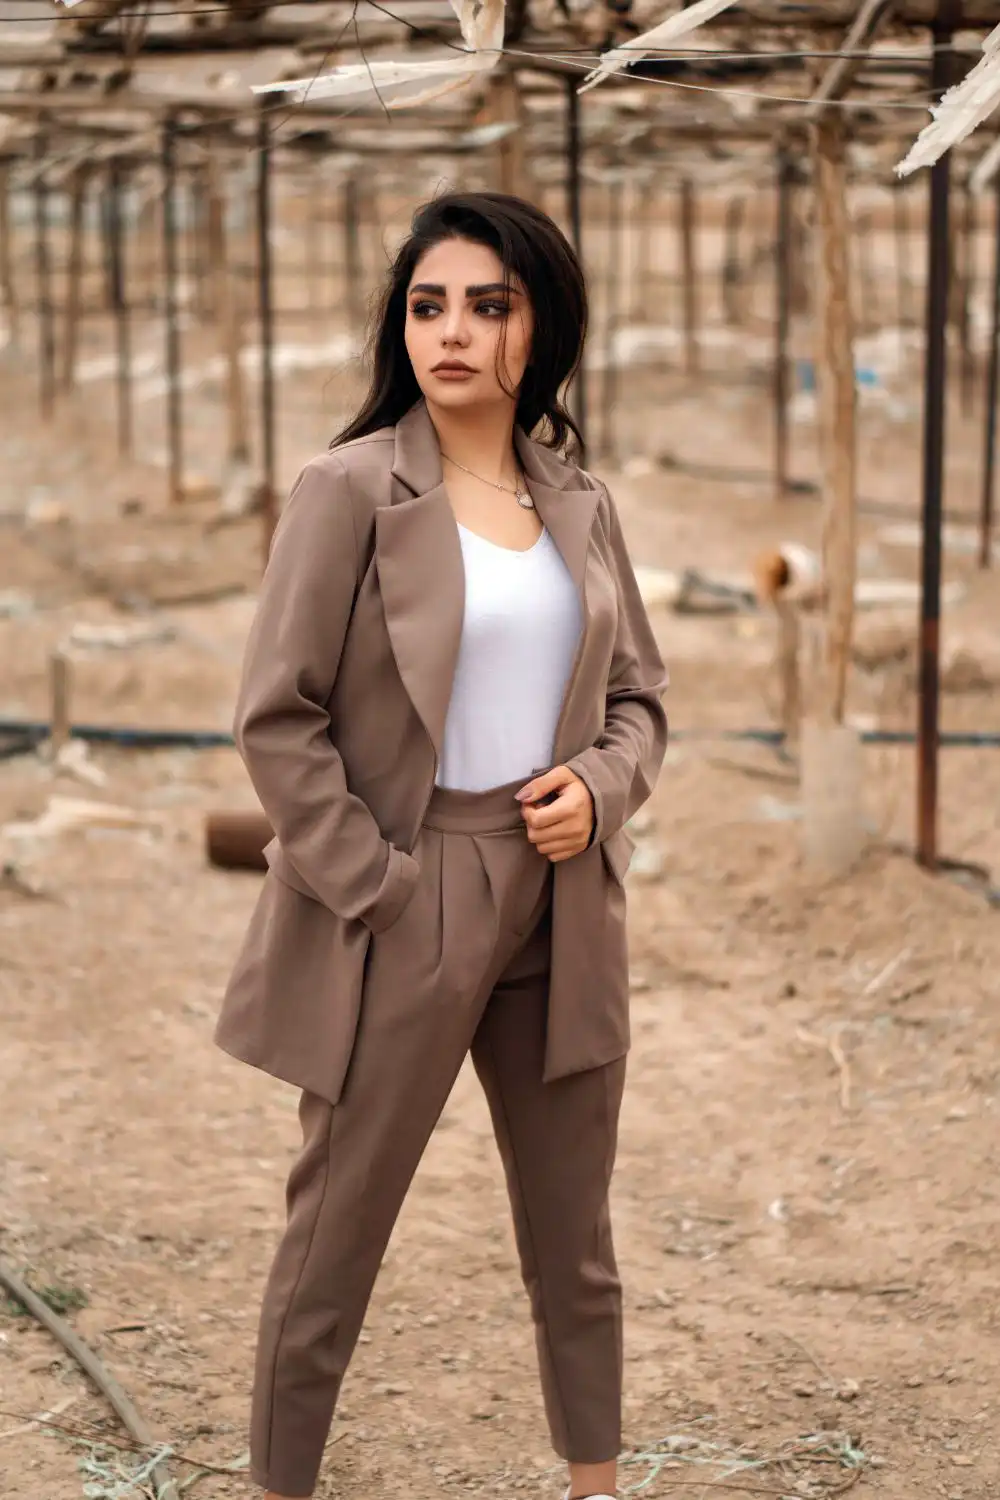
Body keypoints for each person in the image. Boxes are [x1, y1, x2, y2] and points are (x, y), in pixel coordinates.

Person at [213, 191, 668, 1500]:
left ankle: (597, 1483)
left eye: (488, 304)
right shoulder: (350, 489)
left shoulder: (580, 502)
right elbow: (277, 713)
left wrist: (601, 783)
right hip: (409, 893)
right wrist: (381, 888)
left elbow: (641, 696)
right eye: (428, 304)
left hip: (563, 898)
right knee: (334, 1241)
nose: (452, 331)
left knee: (574, 1244)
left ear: (543, 326)